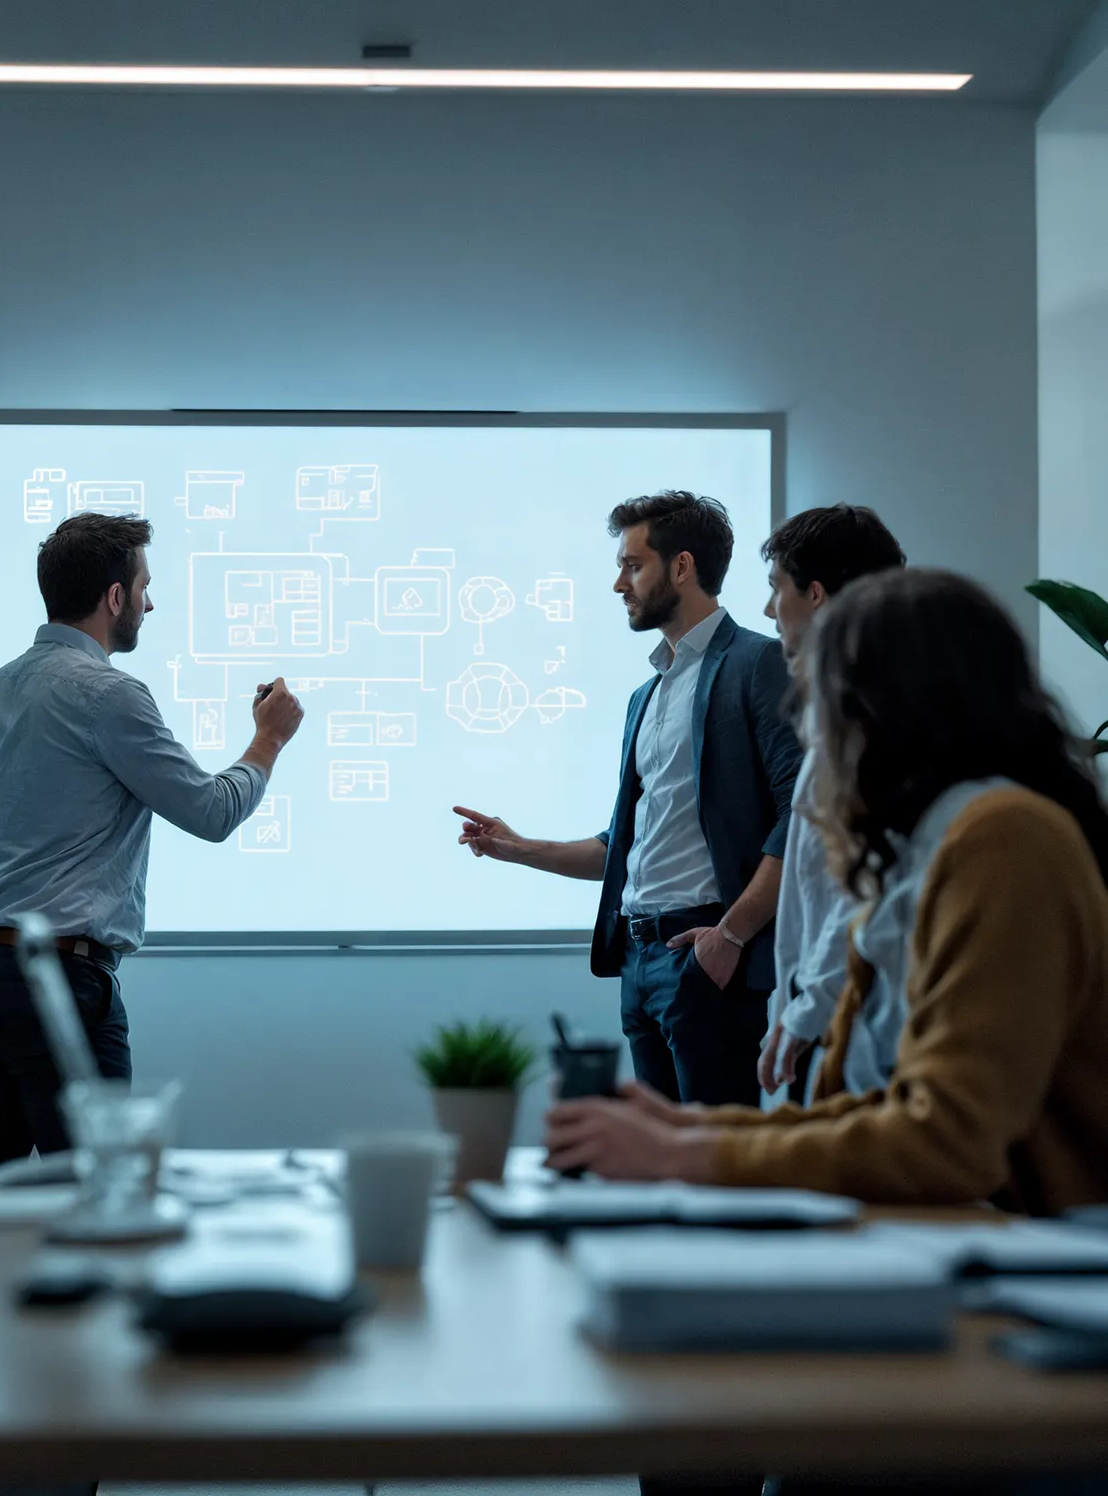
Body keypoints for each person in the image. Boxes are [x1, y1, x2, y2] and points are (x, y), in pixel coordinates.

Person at [545, 569, 1108, 1216]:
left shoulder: (1004, 838)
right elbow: (883, 1113)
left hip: (1035, 1260)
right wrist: (684, 1131)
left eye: (823, 703)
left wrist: (685, 1155)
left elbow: (947, 1141)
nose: (814, 732)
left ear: (890, 710)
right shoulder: (932, 847)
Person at [0, 512, 303, 1181]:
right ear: (114, 597)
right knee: (101, 1193)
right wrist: (267, 741)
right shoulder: (108, 696)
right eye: (143, 587)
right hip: (57, 990)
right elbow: (212, 811)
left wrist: (3, 922)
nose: (149, 602)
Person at [456, 490, 801, 1106]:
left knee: (711, 1171)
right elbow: (622, 847)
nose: (620, 583)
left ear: (682, 568)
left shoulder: (757, 662)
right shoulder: (647, 695)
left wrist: (732, 935)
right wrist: (516, 847)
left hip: (705, 954)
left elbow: (799, 815)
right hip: (639, 963)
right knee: (652, 1170)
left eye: (632, 565)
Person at [755, 506, 906, 1101]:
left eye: (776, 590)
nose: (770, 612)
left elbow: (861, 894)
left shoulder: (875, 728)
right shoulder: (841, 720)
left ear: (815, 595)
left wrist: (804, 1012)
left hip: (851, 1023)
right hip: (827, 1013)